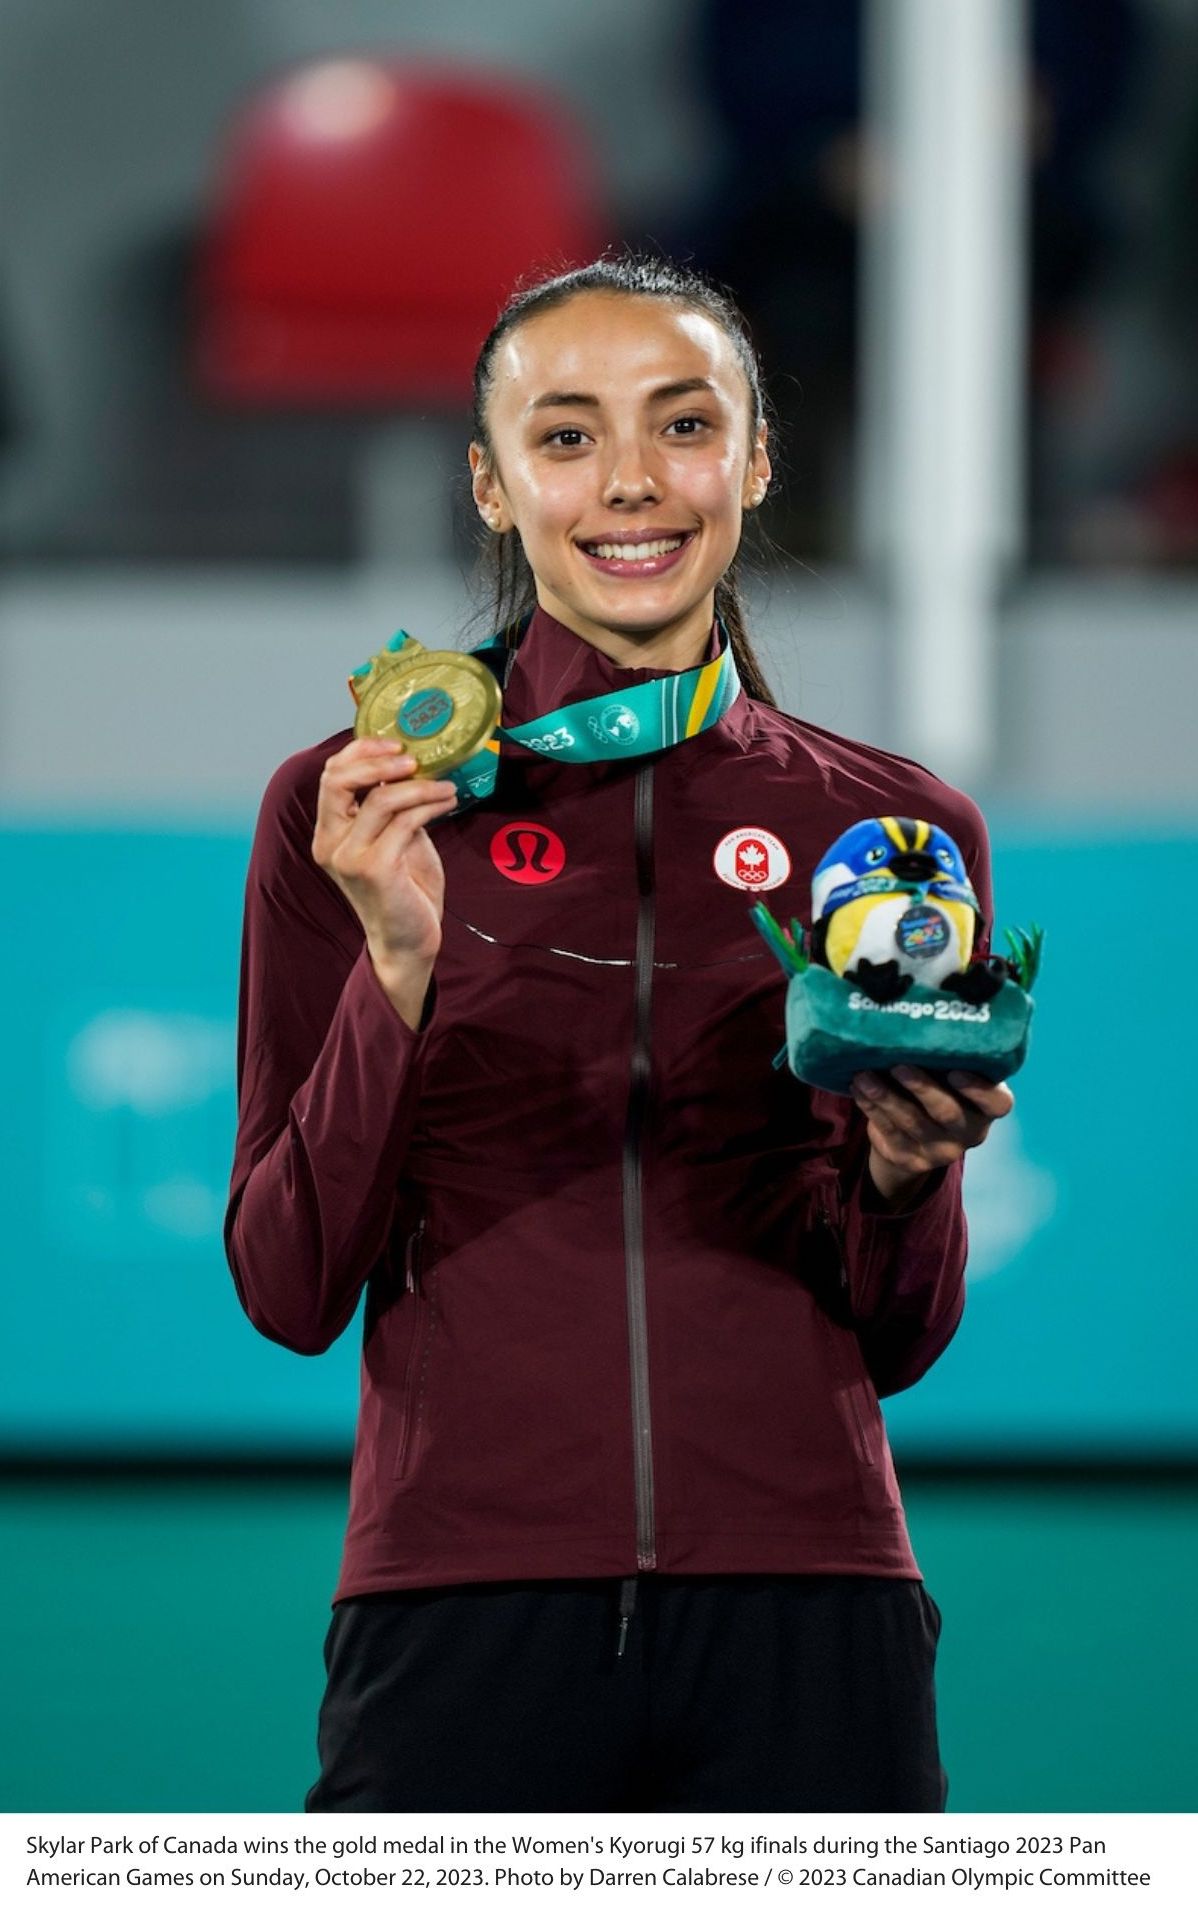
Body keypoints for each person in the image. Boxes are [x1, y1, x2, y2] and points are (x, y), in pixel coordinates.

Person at [224, 255, 1013, 1812]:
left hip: (811, 1609)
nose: (631, 482)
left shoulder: (895, 831)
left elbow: (899, 1334)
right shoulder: (357, 806)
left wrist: (908, 1181)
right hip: (456, 1608)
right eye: (567, 435)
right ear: (493, 485)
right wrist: (396, 962)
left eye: (682, 424)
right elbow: (286, 1280)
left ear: (756, 458)